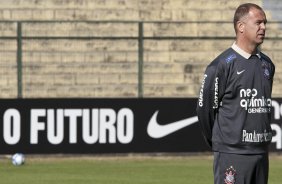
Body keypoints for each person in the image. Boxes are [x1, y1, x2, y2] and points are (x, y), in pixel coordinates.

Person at [196, 3, 275, 184]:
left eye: (265, 23)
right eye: (258, 23)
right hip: (232, 154)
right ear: (241, 27)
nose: (263, 27)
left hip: (261, 152)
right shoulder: (221, 65)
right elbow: (204, 109)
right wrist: (221, 142)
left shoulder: (267, 64)